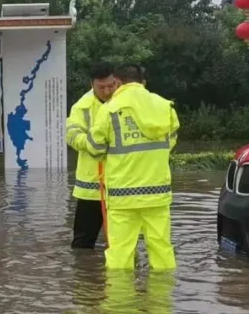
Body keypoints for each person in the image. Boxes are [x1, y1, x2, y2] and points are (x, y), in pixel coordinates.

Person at [81, 64, 179, 270]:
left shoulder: (109, 109)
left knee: (120, 254)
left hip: (122, 196)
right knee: (162, 250)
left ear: (117, 81)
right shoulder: (164, 106)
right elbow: (169, 144)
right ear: (141, 80)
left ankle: (120, 299)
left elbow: (95, 149)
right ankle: (161, 299)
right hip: (157, 193)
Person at [66, 62, 119, 249]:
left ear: (118, 81)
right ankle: (84, 275)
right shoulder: (82, 106)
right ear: (92, 85)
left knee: (122, 243)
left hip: (121, 185)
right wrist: (92, 144)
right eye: (101, 87)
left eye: (111, 86)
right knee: (82, 244)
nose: (106, 91)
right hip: (91, 186)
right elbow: (71, 135)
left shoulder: (126, 102)